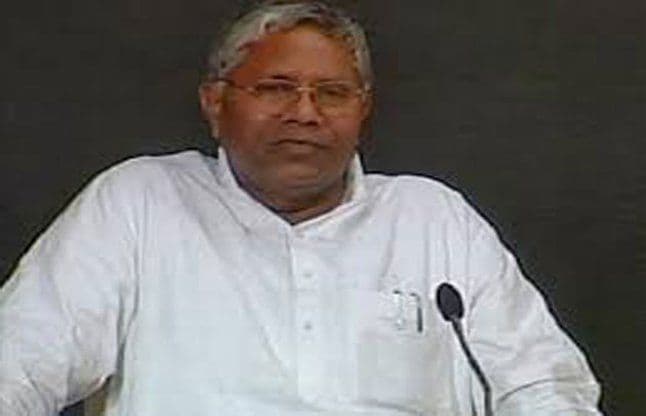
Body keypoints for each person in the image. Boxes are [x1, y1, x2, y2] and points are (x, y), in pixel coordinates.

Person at [0, 1, 602, 415]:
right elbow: (19, 364)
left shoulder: (431, 217)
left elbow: (544, 385)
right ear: (215, 103)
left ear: (362, 110)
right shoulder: (139, 202)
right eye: (276, 88)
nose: (305, 113)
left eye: (332, 93)